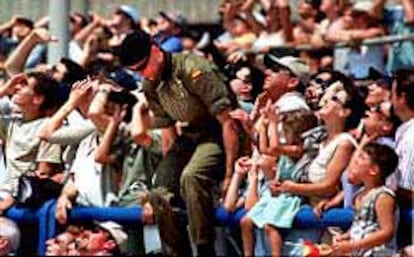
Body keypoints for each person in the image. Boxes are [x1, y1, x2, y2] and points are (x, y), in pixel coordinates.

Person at [117, 30, 239, 256]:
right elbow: (168, 135)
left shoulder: (193, 69)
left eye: (143, 67)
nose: (143, 74)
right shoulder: (150, 85)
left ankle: (204, 249)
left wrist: (230, 174)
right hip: (189, 135)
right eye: (135, 71)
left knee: (191, 176)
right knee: (158, 193)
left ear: (156, 51)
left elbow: (228, 123)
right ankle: (175, 251)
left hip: (216, 132)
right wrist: (167, 173)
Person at [332, 142, 398, 256]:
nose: (356, 161)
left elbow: (387, 232)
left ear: (373, 170)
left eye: (362, 158)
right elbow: (360, 224)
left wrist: (353, 245)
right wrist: (345, 237)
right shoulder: (360, 193)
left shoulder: (383, 196)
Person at [390, 68, 414, 248]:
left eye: (392, 93)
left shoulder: (411, 135)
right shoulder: (404, 131)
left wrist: (375, 194)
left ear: (402, 97)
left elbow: (407, 190)